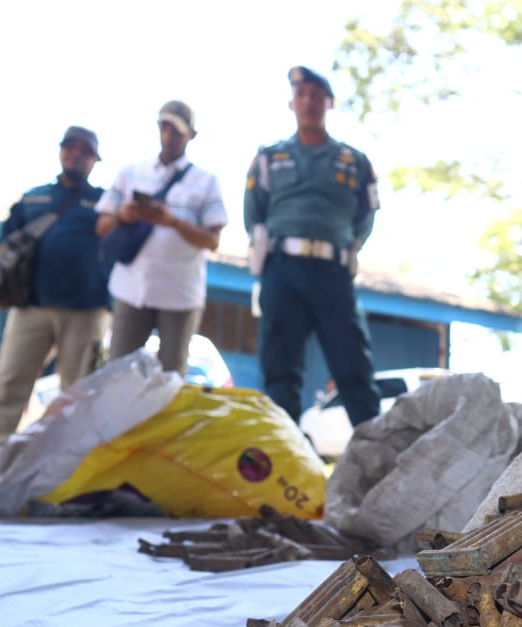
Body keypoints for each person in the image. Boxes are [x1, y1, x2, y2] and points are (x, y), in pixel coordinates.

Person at [0, 126, 110, 467]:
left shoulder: (105, 202)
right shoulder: (33, 198)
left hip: (86, 309)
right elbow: (4, 242)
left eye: (84, 151)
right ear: (61, 151)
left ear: (94, 159)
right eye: (70, 148)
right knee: (8, 381)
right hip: (31, 306)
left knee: (81, 391)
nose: (75, 154)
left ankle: (74, 464)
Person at [243, 66, 381, 428]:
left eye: (316, 95)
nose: (308, 102)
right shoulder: (268, 158)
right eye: (301, 94)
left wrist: (348, 249)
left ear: (328, 103)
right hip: (281, 271)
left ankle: (378, 457)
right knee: (279, 371)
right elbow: (253, 214)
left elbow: (366, 216)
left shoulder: (355, 161)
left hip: (333, 274)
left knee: (353, 364)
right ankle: (284, 455)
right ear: (292, 102)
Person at [95, 100, 227, 375]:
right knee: (118, 374)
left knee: (170, 378)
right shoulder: (132, 172)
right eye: (165, 127)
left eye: (177, 130)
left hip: (180, 295)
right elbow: (101, 226)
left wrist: (174, 222)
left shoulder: (206, 181)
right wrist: (124, 215)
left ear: (191, 134)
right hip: (131, 291)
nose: (169, 135)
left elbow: (213, 241)